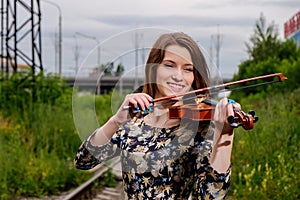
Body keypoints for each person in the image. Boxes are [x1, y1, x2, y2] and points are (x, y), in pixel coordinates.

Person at [74, 32, 238, 199]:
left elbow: (211, 196)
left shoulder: (200, 127)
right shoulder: (134, 120)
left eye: (188, 69)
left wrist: (226, 133)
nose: (178, 76)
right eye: (169, 65)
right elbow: (84, 161)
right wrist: (116, 121)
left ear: (194, 76)